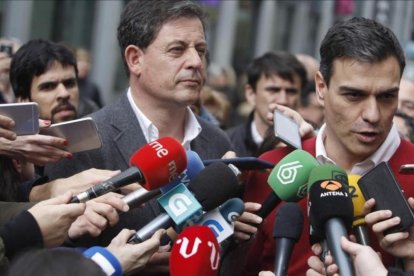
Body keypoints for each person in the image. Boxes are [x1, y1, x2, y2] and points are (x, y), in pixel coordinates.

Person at [44, 0, 233, 255]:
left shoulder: (219, 142)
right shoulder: (84, 143)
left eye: (200, 50)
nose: (195, 62)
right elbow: (51, 253)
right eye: (177, 50)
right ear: (135, 59)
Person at [241, 16, 414, 275]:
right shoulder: (273, 169)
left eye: (387, 96)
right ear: (321, 87)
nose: (372, 114)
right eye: (354, 95)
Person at [226, 51, 307, 157]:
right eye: (273, 90)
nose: (283, 100)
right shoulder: (226, 142)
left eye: (291, 91)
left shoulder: (313, 144)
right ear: (251, 94)